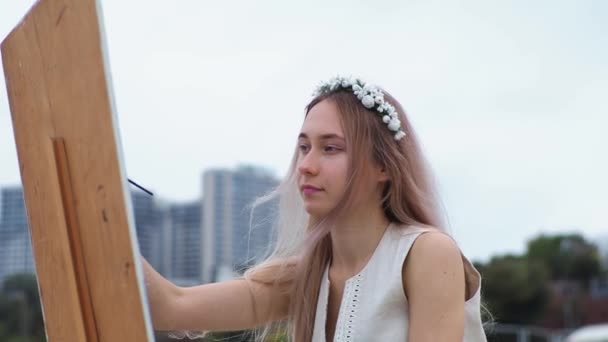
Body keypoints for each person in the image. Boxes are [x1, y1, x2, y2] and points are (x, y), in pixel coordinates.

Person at [142, 76, 488, 341]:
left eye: (331, 148)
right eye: (304, 147)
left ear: (383, 166)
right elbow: (171, 307)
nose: (305, 165)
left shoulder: (425, 253)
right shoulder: (305, 276)